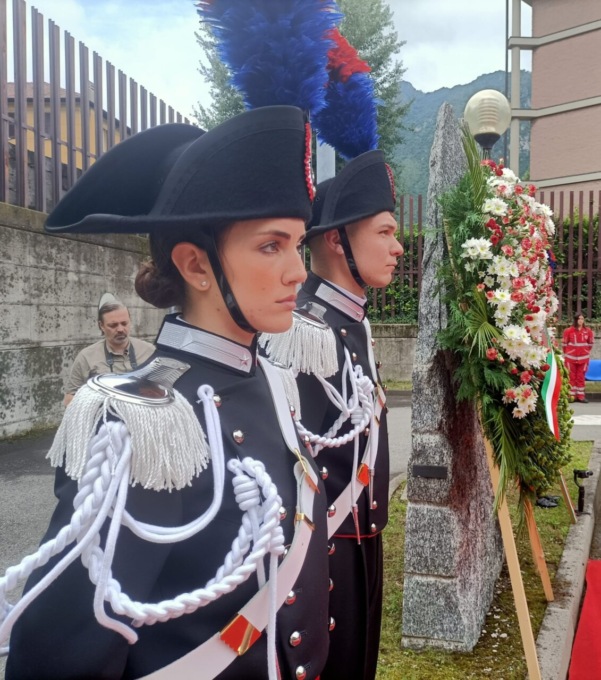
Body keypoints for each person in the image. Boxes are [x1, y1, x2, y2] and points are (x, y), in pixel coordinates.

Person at [2, 106, 330, 680]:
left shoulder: (274, 381)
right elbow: (63, 652)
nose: (298, 272)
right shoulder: (143, 418)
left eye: (298, 245)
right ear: (196, 266)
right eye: (271, 246)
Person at [63, 301, 155, 406]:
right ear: (101, 325)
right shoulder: (86, 357)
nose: (120, 329)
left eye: (124, 323)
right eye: (113, 325)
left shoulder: (149, 351)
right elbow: (69, 399)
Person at [562, 313, 594, 403]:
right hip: (570, 358)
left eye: (582, 319)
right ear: (575, 320)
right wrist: (569, 352)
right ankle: (571, 396)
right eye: (579, 319)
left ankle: (580, 396)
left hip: (583, 358)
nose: (581, 321)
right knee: (571, 377)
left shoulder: (588, 331)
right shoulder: (568, 331)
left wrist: (584, 351)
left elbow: (590, 344)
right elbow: (564, 344)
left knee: (581, 377)